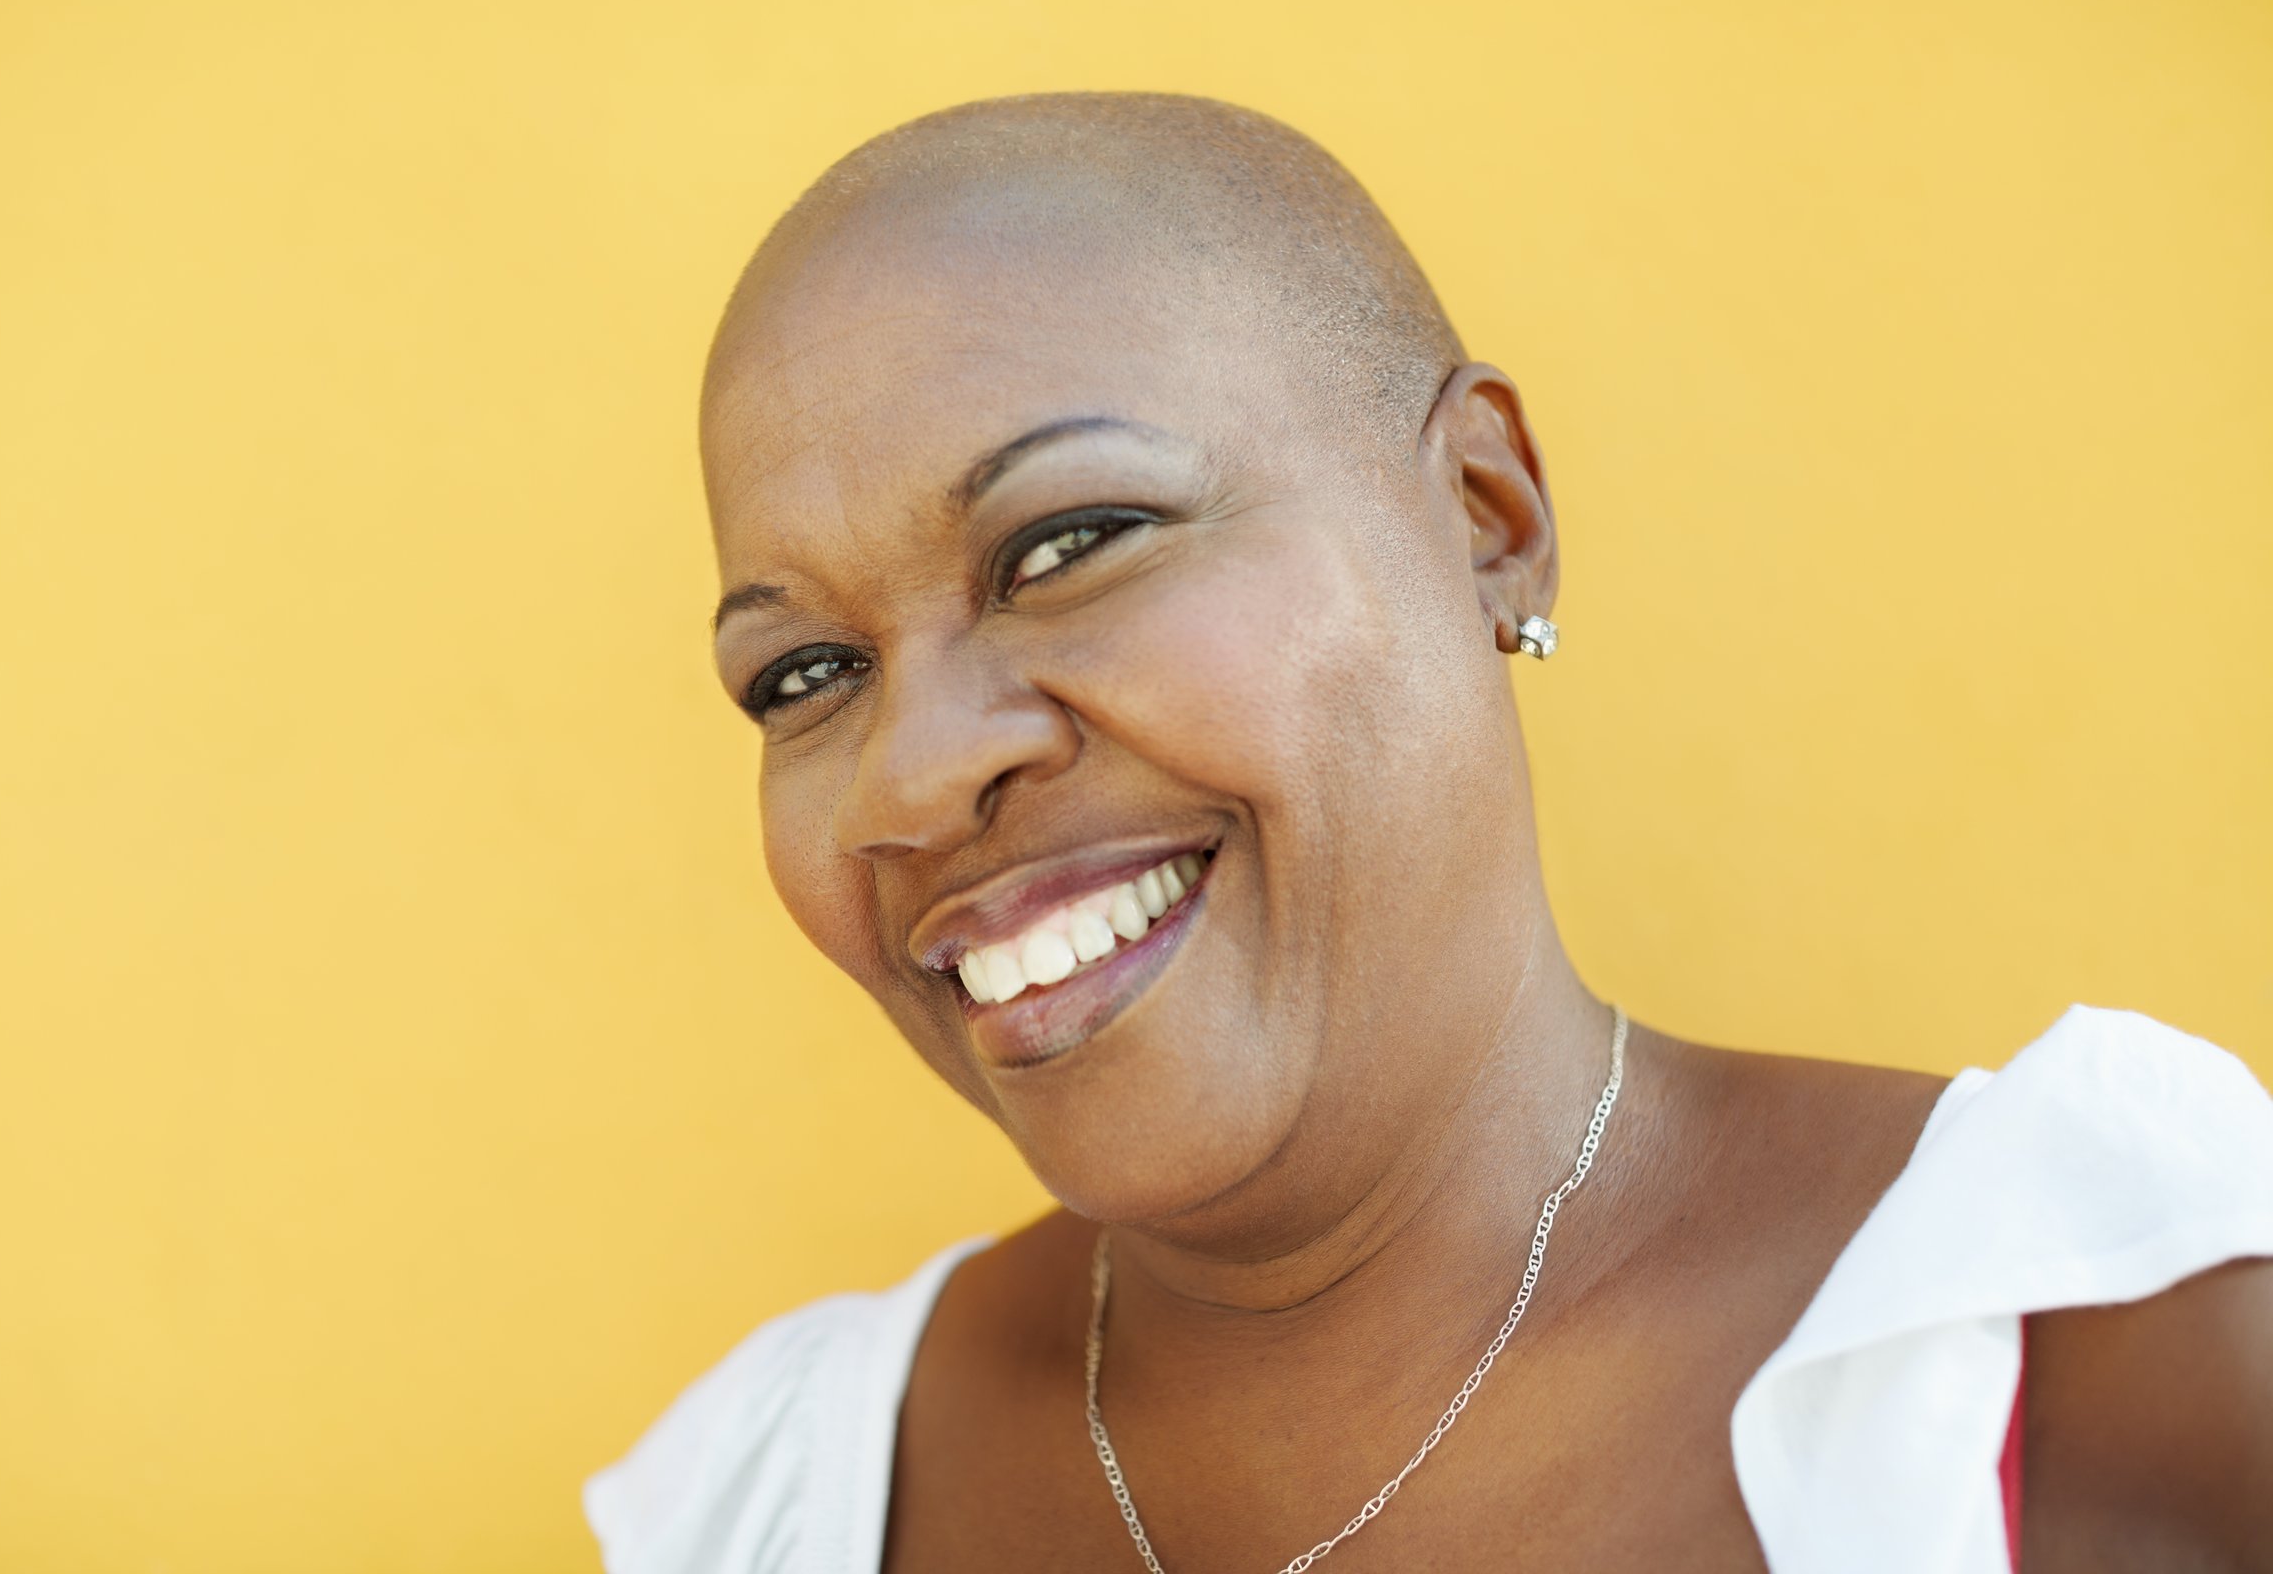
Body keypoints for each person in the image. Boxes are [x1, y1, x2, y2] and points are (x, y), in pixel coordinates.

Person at [587, 93, 2273, 1572]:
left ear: (1485, 518)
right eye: (804, 674)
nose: (907, 778)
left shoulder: (2091, 1350)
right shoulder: (778, 1507)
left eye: (1069, 542)